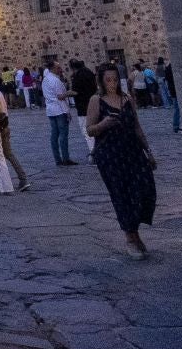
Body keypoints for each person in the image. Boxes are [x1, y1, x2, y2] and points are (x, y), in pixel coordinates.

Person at [85, 64, 156, 259]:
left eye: (115, 79)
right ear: (101, 81)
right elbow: (90, 129)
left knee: (145, 189)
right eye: (108, 80)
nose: (112, 83)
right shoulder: (96, 100)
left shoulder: (127, 99)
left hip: (132, 151)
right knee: (122, 195)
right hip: (110, 155)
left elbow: (137, 126)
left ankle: (134, 232)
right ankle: (131, 238)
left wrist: (148, 151)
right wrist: (103, 124)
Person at [42, 64, 76, 166]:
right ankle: (65, 158)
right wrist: (70, 93)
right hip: (60, 110)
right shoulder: (55, 80)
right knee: (63, 135)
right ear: (53, 68)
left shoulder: (45, 80)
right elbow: (60, 97)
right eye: (58, 67)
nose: (60, 69)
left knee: (54, 135)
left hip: (51, 110)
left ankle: (57, 159)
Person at [68, 59, 99, 161]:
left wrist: (64, 94)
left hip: (83, 106)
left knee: (87, 132)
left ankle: (94, 154)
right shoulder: (88, 72)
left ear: (72, 68)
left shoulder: (78, 76)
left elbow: (75, 92)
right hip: (93, 104)